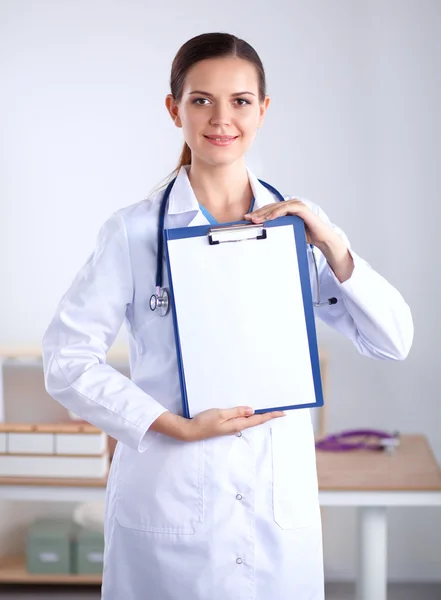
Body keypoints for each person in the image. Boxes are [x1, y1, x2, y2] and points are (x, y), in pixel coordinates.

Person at [41, 32, 413, 600]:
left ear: (263, 111)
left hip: (273, 509)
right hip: (170, 497)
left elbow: (393, 341)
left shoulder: (300, 231)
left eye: (240, 101)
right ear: (175, 110)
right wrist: (176, 426)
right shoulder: (134, 232)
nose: (221, 118)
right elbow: (66, 362)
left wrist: (333, 245)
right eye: (201, 100)